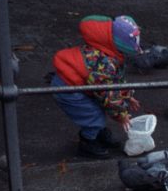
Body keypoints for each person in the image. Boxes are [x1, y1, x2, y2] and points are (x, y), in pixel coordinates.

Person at [51, 14, 142, 158]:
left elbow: (116, 80)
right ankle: (87, 142)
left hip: (82, 85)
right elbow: (108, 94)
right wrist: (122, 115)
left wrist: (127, 95)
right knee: (93, 115)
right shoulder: (103, 63)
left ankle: (98, 132)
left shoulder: (110, 53)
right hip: (67, 88)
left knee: (97, 109)